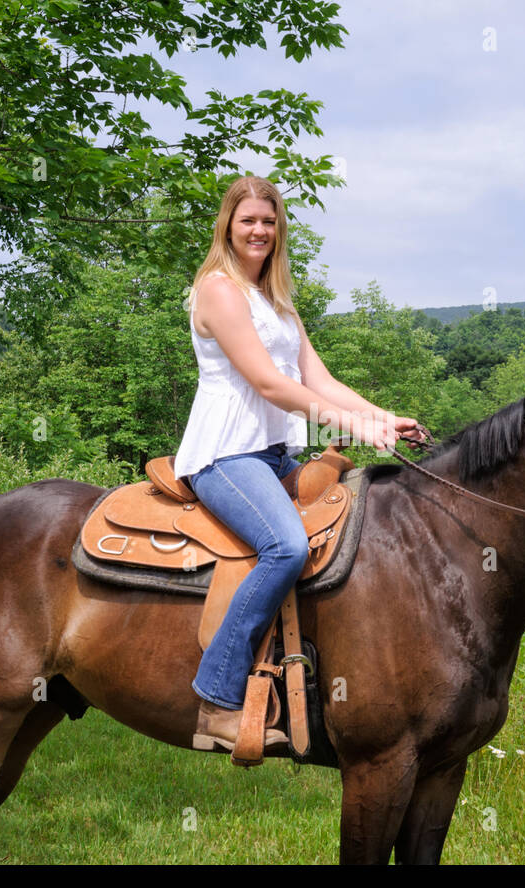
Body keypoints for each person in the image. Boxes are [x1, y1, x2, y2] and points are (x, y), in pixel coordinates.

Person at [174, 175, 422, 752]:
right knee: (285, 545)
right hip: (225, 454)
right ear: (228, 227)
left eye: (268, 220)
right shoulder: (218, 290)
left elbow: (318, 380)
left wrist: (384, 419)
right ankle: (216, 699)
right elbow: (267, 383)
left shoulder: (275, 300)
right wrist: (353, 427)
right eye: (248, 221)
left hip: (274, 453)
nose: (259, 230)